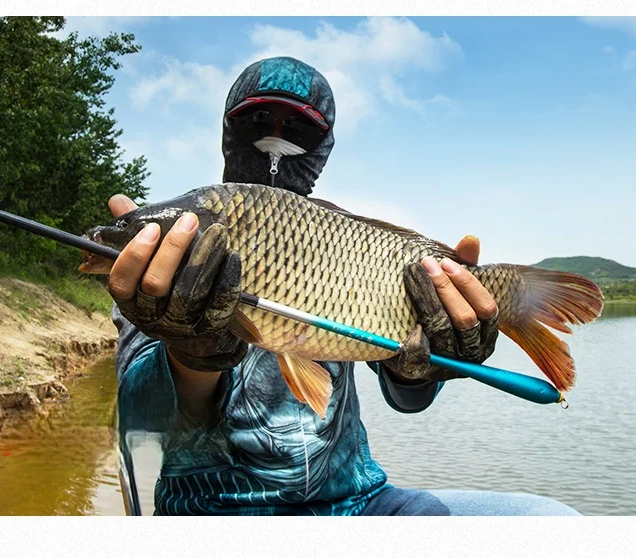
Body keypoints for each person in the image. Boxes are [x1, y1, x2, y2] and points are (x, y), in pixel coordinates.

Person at [107, 56, 580, 516]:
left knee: (552, 523)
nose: (276, 136)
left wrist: (418, 370)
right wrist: (188, 354)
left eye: (298, 127)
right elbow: (143, 424)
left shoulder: (339, 233)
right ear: (228, 131)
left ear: (323, 146)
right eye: (258, 120)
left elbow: (407, 401)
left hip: (357, 503)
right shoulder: (156, 260)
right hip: (208, 512)